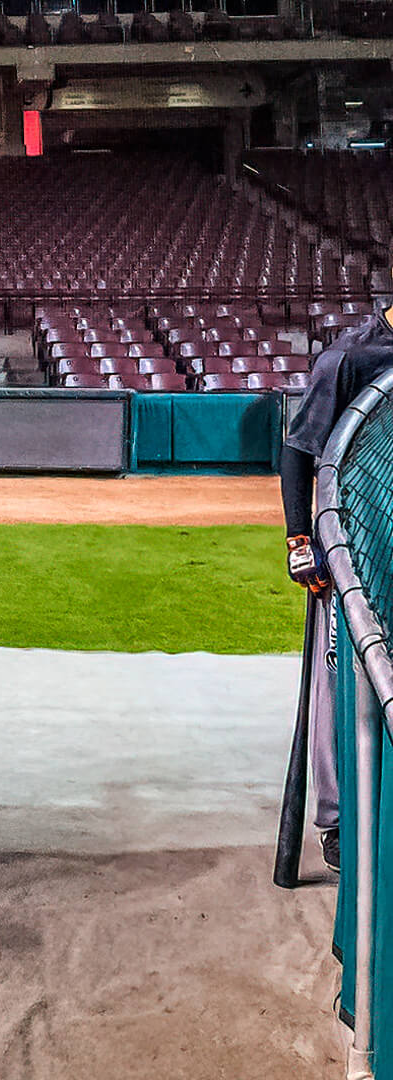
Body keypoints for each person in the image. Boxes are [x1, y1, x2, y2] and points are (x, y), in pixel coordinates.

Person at [280, 300, 393, 874]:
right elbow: (298, 451)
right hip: (350, 544)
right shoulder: (349, 358)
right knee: (339, 679)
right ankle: (337, 820)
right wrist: (300, 540)